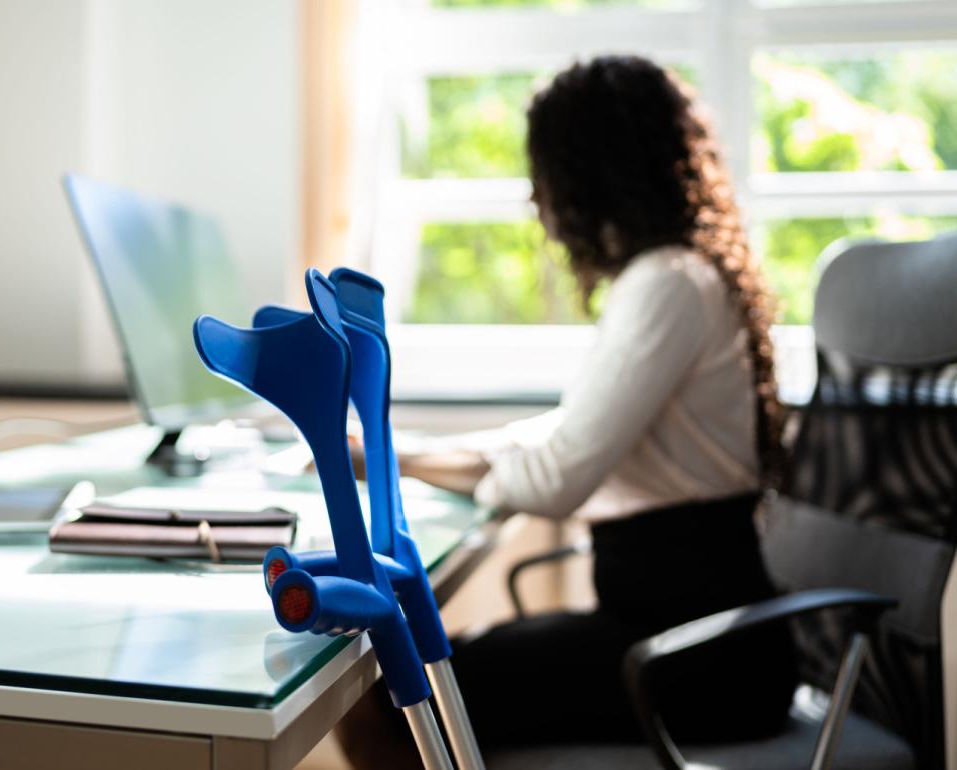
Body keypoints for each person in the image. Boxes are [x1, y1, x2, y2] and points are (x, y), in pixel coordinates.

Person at [338, 55, 797, 768]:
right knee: (418, 681)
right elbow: (559, 437)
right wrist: (396, 456)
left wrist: (409, 462)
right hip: (680, 636)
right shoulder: (670, 278)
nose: (534, 198)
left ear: (590, 172)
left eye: (542, 173)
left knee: (395, 698)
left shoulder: (667, 286)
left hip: (697, 657)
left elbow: (554, 479)